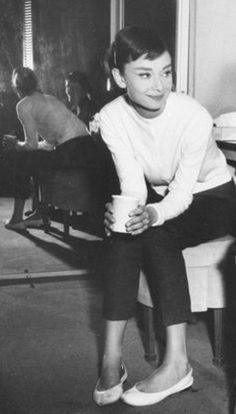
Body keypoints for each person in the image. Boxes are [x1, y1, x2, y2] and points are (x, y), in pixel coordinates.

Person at [93, 26, 236, 407]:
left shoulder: (193, 116)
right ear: (119, 77)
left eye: (167, 72)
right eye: (145, 74)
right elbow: (134, 184)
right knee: (124, 230)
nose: (159, 85)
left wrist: (152, 215)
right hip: (163, 194)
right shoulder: (111, 118)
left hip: (216, 195)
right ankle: (111, 359)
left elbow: (184, 193)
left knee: (157, 233)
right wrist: (129, 211)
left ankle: (177, 362)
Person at [3, 66, 105, 230]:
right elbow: (48, 143)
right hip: (86, 149)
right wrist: (28, 147)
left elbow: (30, 145)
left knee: (21, 159)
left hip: (71, 150)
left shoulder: (23, 105)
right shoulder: (49, 99)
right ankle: (39, 214)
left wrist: (15, 144)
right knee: (36, 158)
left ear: (17, 88)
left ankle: (16, 218)